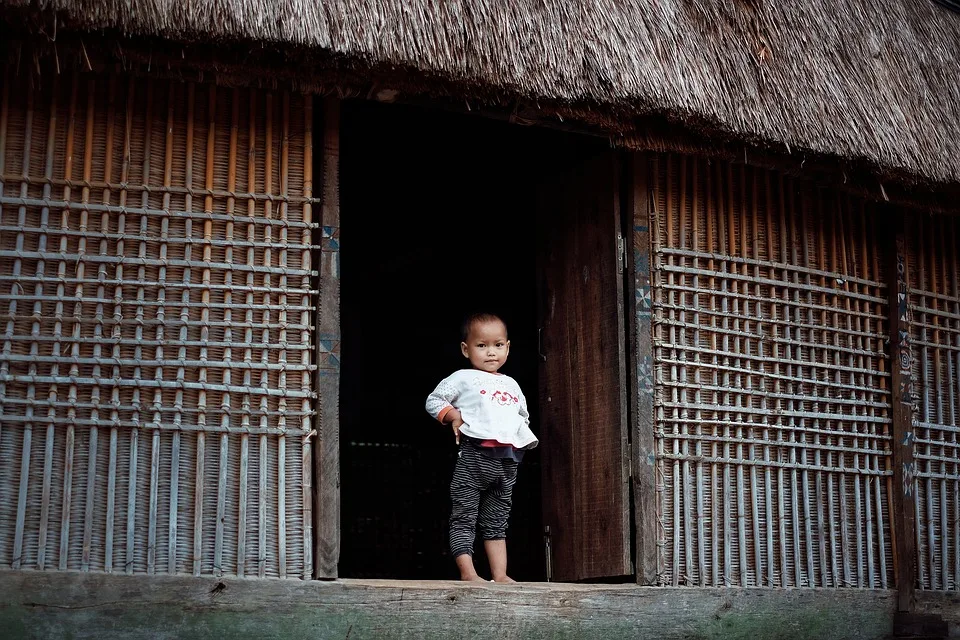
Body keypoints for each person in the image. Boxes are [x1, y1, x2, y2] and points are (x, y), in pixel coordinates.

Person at [425, 312, 538, 582]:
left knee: (497, 520)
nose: (491, 353)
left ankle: (500, 575)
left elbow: (522, 416)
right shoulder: (462, 377)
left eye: (498, 345)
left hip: (508, 462)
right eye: (481, 346)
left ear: (508, 347)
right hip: (475, 458)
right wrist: (453, 415)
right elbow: (434, 400)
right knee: (464, 516)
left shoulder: (512, 383)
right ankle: (468, 573)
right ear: (466, 349)